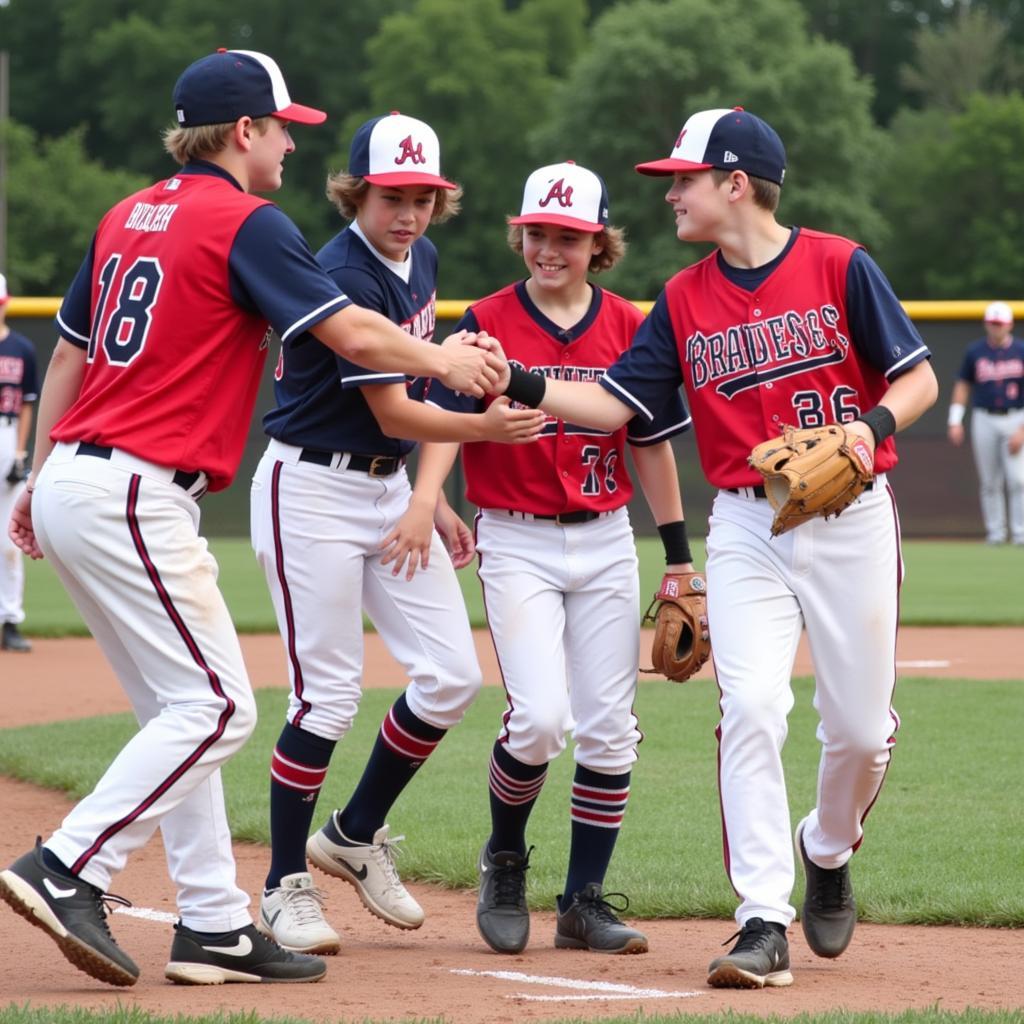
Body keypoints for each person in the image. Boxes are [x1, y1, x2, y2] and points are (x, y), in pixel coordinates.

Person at [0, 49, 501, 989]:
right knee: (218, 705)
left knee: (171, 708)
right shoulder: (247, 220)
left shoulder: (126, 214)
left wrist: (40, 469)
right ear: (243, 132)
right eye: (280, 128)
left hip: (81, 478)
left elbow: (69, 350)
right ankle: (70, 867)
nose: (286, 144)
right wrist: (447, 366)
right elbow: (353, 335)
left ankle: (214, 924)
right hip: (137, 490)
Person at [486, 109, 938, 986]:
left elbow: (917, 375)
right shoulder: (685, 297)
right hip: (746, 524)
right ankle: (762, 920)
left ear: (735, 183)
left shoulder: (839, 264)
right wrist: (519, 376)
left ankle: (828, 847)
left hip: (853, 517)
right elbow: (617, 407)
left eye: (683, 180)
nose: (671, 195)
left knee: (859, 735)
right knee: (755, 707)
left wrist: (869, 427)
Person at [251, 111, 544, 955]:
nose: (408, 212)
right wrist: (483, 432)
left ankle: (352, 831)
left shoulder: (422, 259)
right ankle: (282, 885)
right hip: (309, 489)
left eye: (423, 196)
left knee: (451, 676)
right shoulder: (344, 266)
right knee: (329, 693)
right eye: (391, 196)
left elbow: (406, 411)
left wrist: (428, 496)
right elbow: (391, 404)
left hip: (382, 491)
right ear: (356, 192)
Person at [431, 161, 691, 955]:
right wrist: (432, 503)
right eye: (538, 232)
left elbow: (648, 443)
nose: (550, 249)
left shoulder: (630, 322)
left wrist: (678, 555)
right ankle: (504, 857)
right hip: (516, 537)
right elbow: (440, 417)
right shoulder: (484, 318)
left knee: (611, 731)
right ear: (520, 234)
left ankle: (583, 902)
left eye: (568, 237)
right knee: (541, 719)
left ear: (597, 243)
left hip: (607, 537)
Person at [947, 301, 1024, 545]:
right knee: (990, 481)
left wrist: (1022, 430)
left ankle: (1020, 533)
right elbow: (963, 384)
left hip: (1016, 416)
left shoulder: (1021, 350)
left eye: (1000, 324)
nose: (996, 328)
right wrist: (955, 420)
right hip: (984, 418)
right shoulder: (975, 351)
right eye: (992, 323)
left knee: (1018, 479)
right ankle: (996, 534)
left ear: (1010, 325)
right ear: (986, 324)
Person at [0, 273, 39, 653]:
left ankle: (10, 620)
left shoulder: (21, 348)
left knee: (8, 538)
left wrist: (19, 453)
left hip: (7, 435)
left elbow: (28, 402)